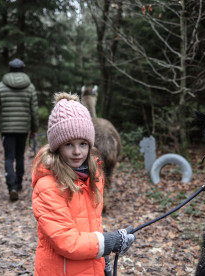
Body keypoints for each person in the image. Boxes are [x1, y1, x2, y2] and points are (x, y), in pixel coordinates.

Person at [31, 92, 136, 276]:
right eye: (69, 144)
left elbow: (92, 227)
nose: (77, 152)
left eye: (83, 144)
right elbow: (67, 242)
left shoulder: (92, 179)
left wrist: (103, 263)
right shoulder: (48, 186)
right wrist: (108, 243)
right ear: (57, 147)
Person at [0, 58, 39, 201]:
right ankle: (18, 184)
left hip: (6, 128)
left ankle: (11, 186)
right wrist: (34, 129)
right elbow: (34, 111)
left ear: (10, 69)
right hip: (23, 128)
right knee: (20, 156)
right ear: (22, 69)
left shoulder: (1, 86)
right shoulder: (30, 87)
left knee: (9, 157)